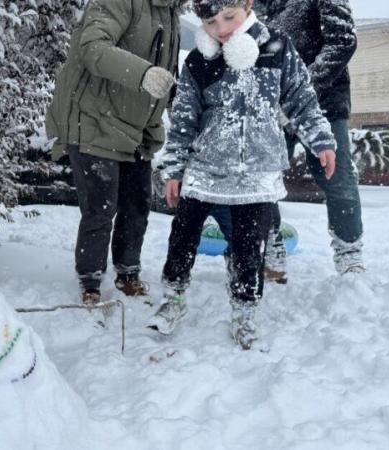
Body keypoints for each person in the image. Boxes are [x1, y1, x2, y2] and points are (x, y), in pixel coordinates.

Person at [147, 0, 336, 349]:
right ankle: (172, 298)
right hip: (204, 170)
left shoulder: (277, 49)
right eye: (210, 22)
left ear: (247, 4)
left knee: (250, 249)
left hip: (257, 174)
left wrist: (321, 139)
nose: (221, 30)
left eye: (229, 18)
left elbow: (302, 99)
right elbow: (185, 120)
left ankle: (245, 313)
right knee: (182, 239)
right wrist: (174, 169)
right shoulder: (198, 61)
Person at [46, 0, 186, 305]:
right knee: (100, 208)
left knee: (137, 204)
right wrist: (144, 74)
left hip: (135, 127)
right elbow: (93, 47)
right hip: (93, 118)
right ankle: (90, 280)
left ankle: (128, 272)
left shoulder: (171, 11)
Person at [253, 0, 364, 280]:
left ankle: (349, 251)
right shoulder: (257, 7)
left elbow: (342, 42)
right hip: (272, 109)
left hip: (324, 104)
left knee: (338, 179)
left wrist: (300, 91)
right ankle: (270, 246)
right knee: (261, 177)